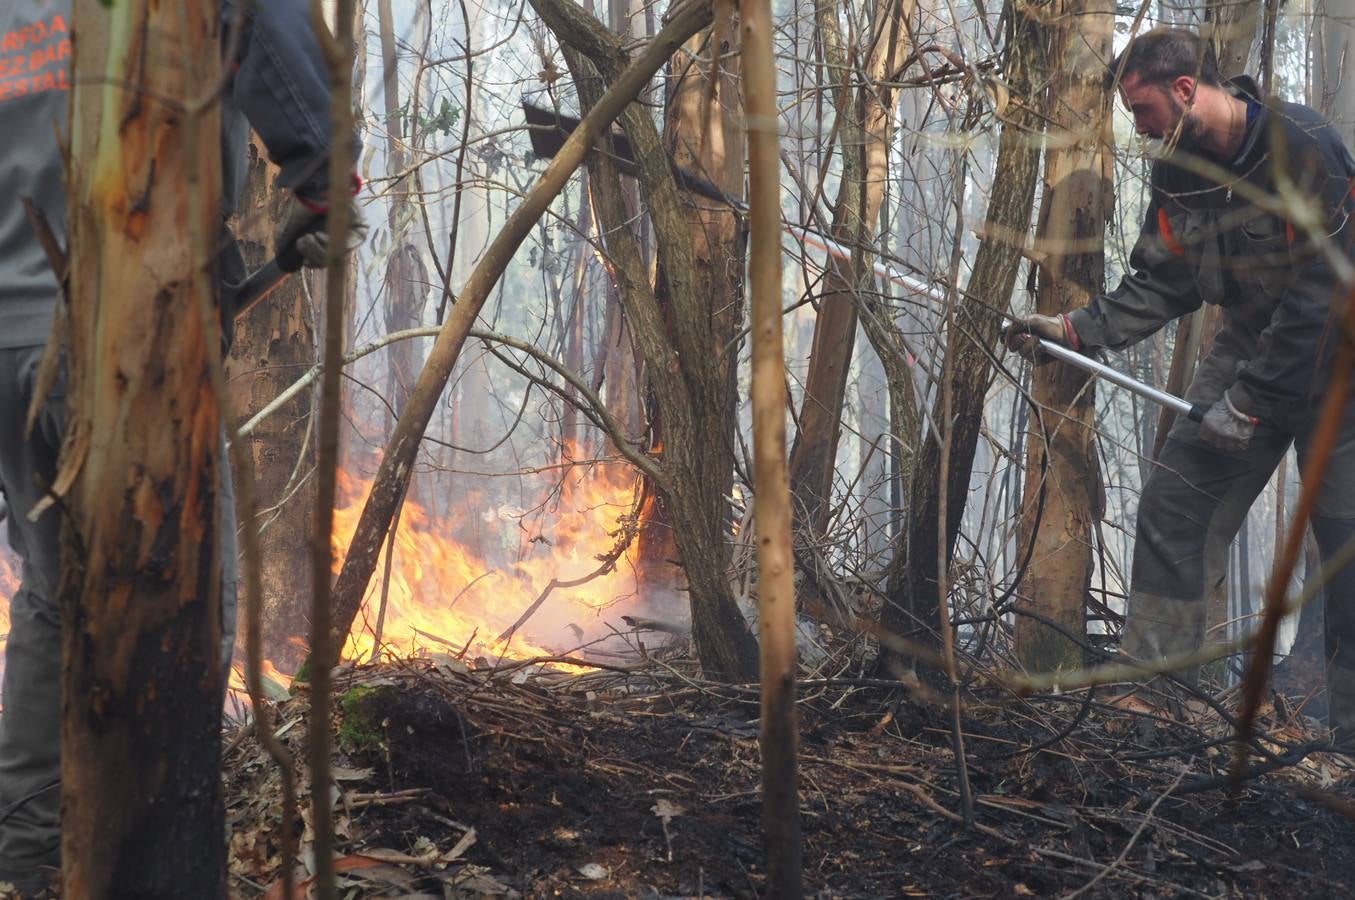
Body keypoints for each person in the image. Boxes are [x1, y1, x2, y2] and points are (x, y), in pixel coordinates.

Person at [0, 1, 365, 894]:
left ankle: (25, 856)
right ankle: (152, 866)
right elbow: (286, 60)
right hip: (124, 338)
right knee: (185, 607)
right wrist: (323, 183)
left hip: (7, 342)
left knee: (53, 598)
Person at [1005, 26, 1355, 748]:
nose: (1136, 127)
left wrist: (1248, 403)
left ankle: (1349, 741)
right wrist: (1074, 332)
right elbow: (1160, 280)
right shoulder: (1179, 172)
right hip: (1250, 350)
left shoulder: (1304, 146)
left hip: (1340, 366)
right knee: (1175, 505)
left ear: (1185, 89)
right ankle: (1157, 701)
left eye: (1140, 109)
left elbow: (1322, 300)